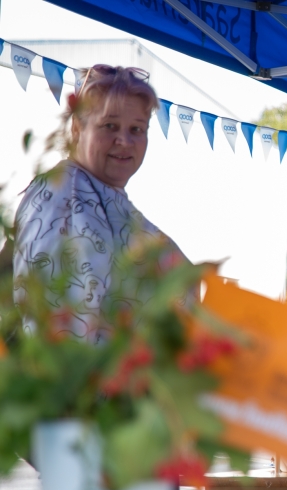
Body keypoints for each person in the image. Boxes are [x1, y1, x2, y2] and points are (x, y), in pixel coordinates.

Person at [13, 65, 187, 344]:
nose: (125, 140)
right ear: (78, 127)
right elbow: (62, 324)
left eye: (137, 129)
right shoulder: (62, 194)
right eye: (110, 126)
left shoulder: (102, 196)